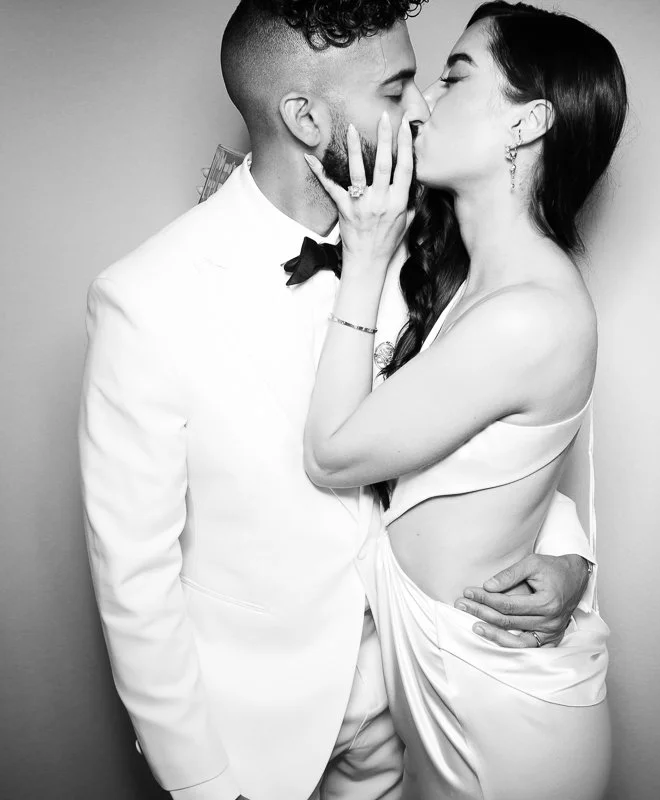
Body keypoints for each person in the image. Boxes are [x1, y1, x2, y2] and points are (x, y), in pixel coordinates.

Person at [79, 2, 596, 799]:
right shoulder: (149, 300)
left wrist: (569, 559)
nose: (421, 108)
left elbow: (505, 434)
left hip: (415, 700)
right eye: (395, 91)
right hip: (258, 739)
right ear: (305, 116)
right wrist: (205, 783)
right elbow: (133, 582)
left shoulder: (433, 245)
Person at [303, 3, 628, 799]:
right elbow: (502, 461)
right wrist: (569, 555)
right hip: (427, 684)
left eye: (453, 78)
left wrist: (366, 261)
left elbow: (332, 454)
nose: (421, 106)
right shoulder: (469, 277)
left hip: (496, 708)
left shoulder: (528, 312)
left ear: (529, 124)